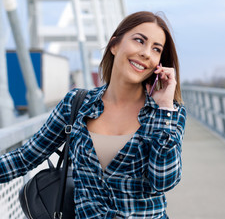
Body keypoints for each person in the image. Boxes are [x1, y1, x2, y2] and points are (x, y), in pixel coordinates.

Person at [0, 11, 186, 218]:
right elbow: (25, 157)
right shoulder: (76, 104)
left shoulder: (167, 114)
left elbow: (163, 181)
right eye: (139, 40)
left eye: (156, 49)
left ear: (159, 63)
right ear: (114, 45)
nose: (146, 53)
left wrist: (164, 110)